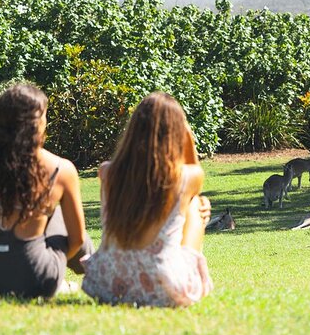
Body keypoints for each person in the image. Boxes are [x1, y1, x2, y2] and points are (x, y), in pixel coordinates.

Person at [81, 92, 213, 307]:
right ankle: (185, 272)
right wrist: (188, 140)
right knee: (196, 203)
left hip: (108, 284)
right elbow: (195, 174)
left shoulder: (107, 173)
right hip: (162, 286)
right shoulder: (186, 178)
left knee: (188, 201)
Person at [0, 83, 94, 298]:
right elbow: (77, 240)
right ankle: (94, 271)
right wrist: (55, 257)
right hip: (35, 281)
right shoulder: (60, 169)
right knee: (59, 216)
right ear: (39, 121)